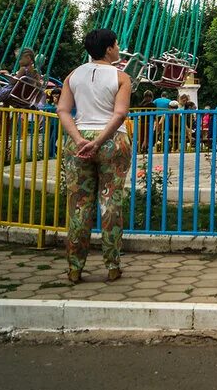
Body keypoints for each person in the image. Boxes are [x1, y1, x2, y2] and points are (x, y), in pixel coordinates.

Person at [57, 29, 132, 285]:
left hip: (78, 139)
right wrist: (100, 141)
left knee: (79, 205)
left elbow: (63, 110)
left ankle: (75, 268)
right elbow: (120, 113)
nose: (119, 47)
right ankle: (112, 265)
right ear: (109, 48)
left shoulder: (72, 76)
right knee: (111, 202)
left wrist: (79, 139)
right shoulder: (121, 77)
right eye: (117, 43)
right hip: (112, 139)